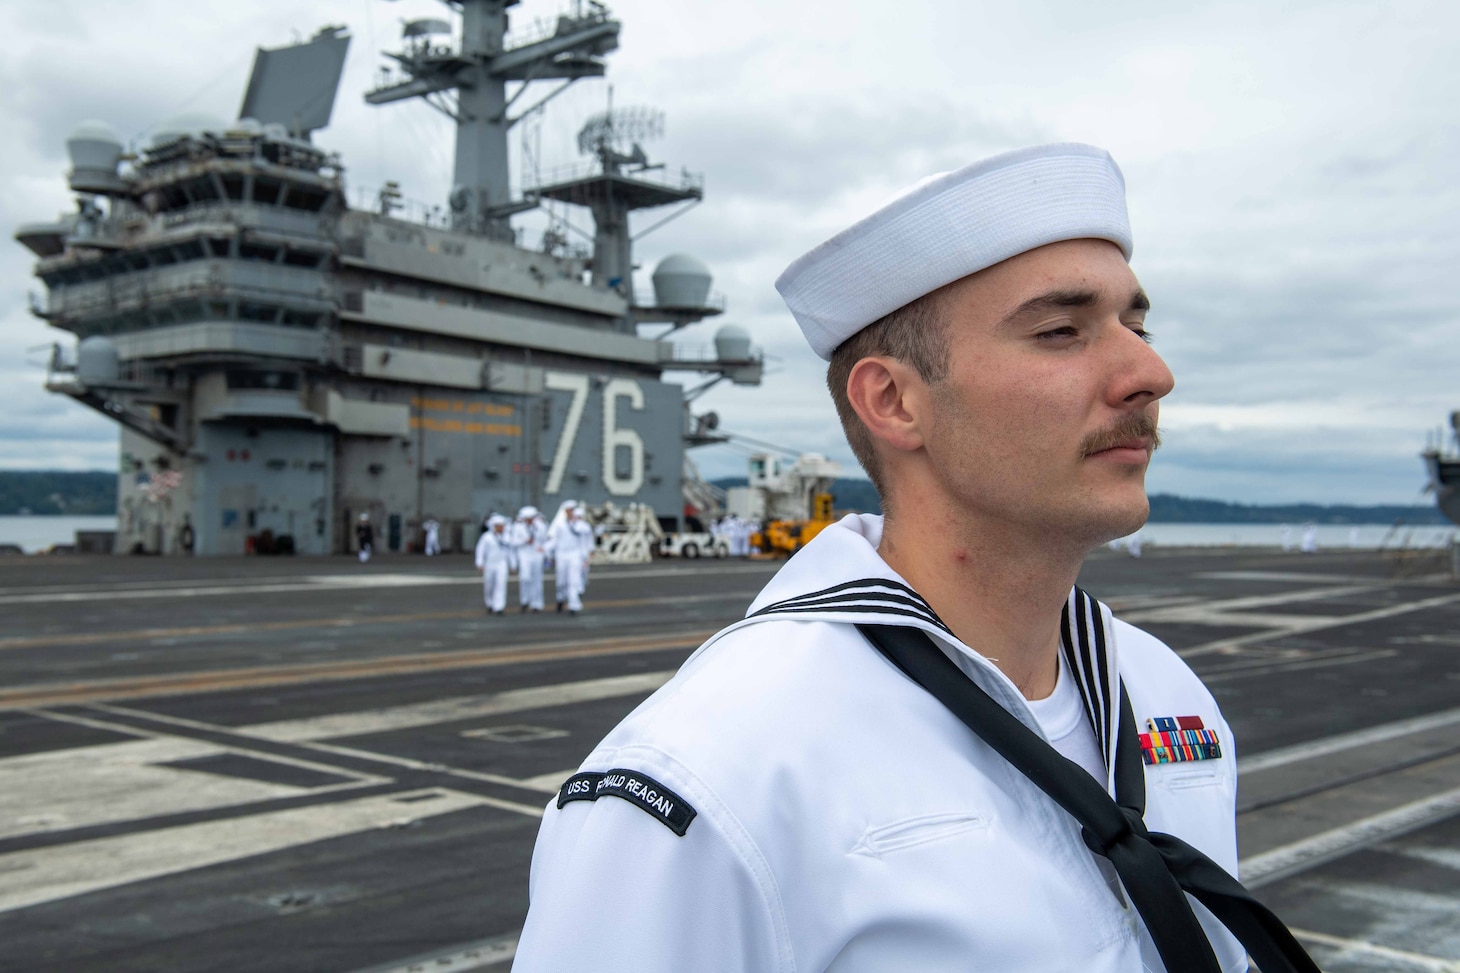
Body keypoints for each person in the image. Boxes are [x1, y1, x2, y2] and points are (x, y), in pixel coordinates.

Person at [514, 145, 1316, 972]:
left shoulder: (1164, 693)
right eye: (1060, 332)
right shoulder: (713, 778)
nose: (1151, 372)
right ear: (894, 400)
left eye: (1137, 325)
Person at [547, 502, 593, 614]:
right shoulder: (560, 525)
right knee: (561, 581)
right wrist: (546, 551)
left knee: (574, 580)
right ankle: (560, 598)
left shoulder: (582, 526)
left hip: (574, 555)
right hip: (561, 555)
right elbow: (555, 541)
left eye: (571, 510)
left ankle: (574, 605)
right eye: (567, 510)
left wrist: (586, 556)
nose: (570, 512)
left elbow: (586, 542)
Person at [473, 514, 513, 615]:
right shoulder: (486, 537)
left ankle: (499, 607)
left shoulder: (507, 537)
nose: (502, 527)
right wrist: (479, 563)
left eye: (503, 525)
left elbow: (511, 551)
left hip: (502, 563)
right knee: (489, 586)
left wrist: (513, 564)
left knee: (501, 585)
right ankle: (489, 604)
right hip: (489, 563)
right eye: (499, 525)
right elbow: (480, 550)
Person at [512, 505, 549, 612]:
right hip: (524, 554)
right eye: (527, 519)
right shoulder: (517, 527)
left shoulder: (541, 526)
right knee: (525, 578)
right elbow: (513, 542)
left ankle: (537, 603)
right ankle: (525, 601)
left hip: (537, 554)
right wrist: (524, 541)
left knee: (537, 579)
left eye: (531, 518)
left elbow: (546, 540)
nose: (530, 520)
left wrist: (546, 553)